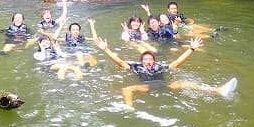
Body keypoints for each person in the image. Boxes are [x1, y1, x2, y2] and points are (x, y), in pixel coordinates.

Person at [95, 35, 237, 108]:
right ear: (142, 61)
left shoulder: (159, 67)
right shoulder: (137, 67)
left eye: (150, 59)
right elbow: (120, 62)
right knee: (127, 89)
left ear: (154, 60)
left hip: (164, 86)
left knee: (185, 83)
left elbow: (177, 63)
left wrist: (191, 49)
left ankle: (218, 90)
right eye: (145, 59)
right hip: (145, 88)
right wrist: (105, 49)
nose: (148, 61)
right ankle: (129, 109)